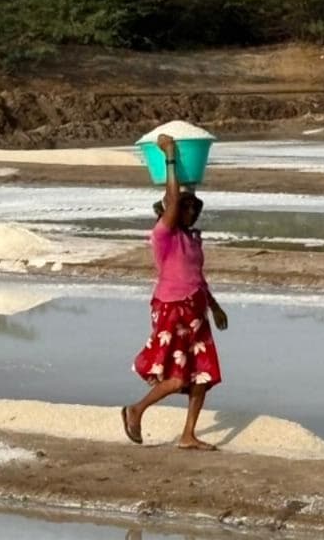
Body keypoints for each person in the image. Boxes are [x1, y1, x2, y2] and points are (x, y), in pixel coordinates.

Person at [122, 134, 228, 451]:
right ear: (172, 211)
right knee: (178, 378)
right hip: (173, 309)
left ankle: (188, 435)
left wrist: (215, 306)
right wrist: (170, 157)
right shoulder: (164, 236)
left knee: (203, 377)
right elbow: (171, 195)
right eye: (187, 207)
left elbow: (198, 276)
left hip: (196, 311)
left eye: (196, 207)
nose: (194, 212)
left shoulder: (193, 239)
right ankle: (136, 410)